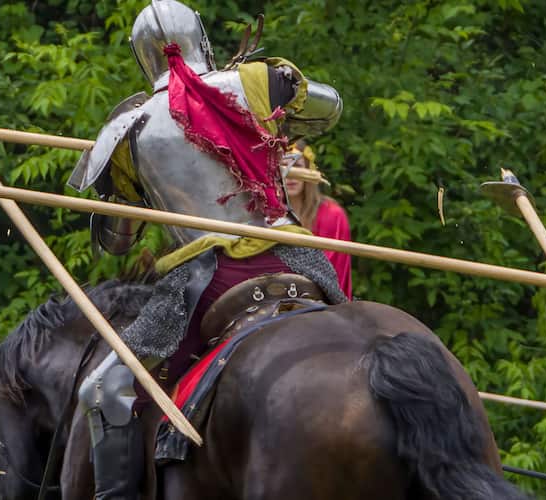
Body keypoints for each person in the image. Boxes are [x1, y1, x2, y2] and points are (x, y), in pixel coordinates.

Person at [67, 1, 344, 497]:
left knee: (103, 389)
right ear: (201, 38)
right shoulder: (259, 81)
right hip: (297, 259)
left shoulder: (126, 130)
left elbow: (116, 241)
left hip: (205, 279)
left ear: (141, 56)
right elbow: (329, 108)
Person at [283, 141, 352, 298]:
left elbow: (331, 269)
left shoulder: (332, 214)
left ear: (309, 171)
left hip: (320, 298)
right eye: (283, 166)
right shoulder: (268, 214)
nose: (291, 174)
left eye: (297, 166)